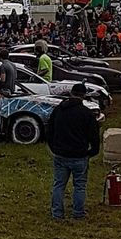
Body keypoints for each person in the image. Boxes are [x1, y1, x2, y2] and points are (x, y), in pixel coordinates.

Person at [46, 82, 101, 220]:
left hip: (60, 154)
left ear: (71, 93)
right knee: (80, 186)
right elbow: (94, 135)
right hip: (80, 155)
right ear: (83, 96)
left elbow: (49, 130)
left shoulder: (58, 110)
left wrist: (54, 147)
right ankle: (78, 213)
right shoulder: (86, 114)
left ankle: (57, 213)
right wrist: (92, 151)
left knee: (59, 185)